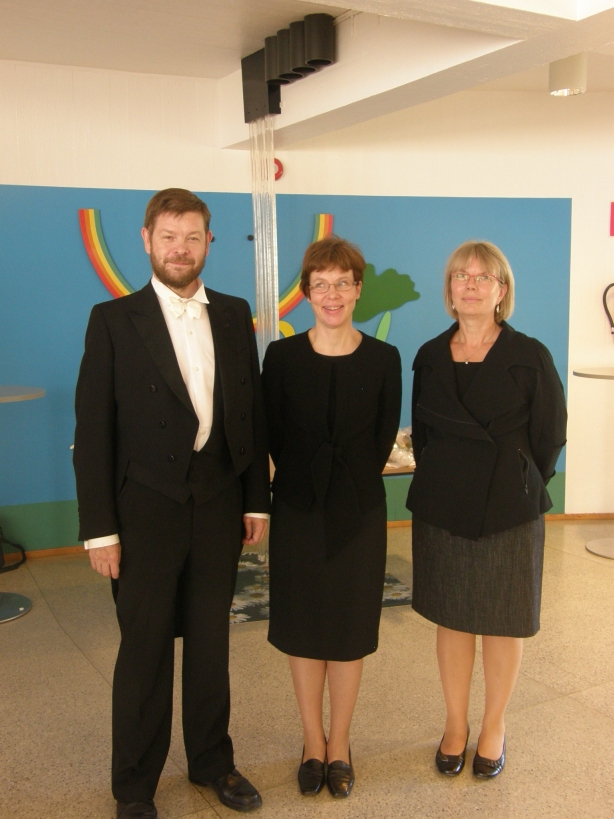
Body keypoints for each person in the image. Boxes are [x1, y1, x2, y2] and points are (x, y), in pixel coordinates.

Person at [73, 189, 271, 818]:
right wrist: (99, 529)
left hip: (217, 503)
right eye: (168, 236)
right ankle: (134, 785)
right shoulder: (112, 319)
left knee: (211, 644)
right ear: (146, 240)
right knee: (146, 650)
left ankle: (212, 761)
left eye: (192, 237)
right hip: (144, 512)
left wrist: (256, 502)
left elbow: (249, 412)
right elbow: (93, 430)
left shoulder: (234, 313)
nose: (180, 249)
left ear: (208, 241)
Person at [407, 240, 567, 778]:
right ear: (449, 289)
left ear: (502, 291)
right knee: (453, 619)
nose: (471, 285)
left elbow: (549, 435)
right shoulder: (430, 355)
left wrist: (519, 479)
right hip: (444, 503)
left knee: (502, 621)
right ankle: (455, 724)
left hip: (508, 508)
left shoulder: (529, 355)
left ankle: (494, 725)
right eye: (461, 276)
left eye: (483, 277)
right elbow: (423, 435)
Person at [261, 236, 402, 799]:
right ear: (307, 292)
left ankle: (340, 744)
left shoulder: (384, 359)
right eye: (321, 284)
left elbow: (382, 436)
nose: (332, 294)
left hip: (359, 511)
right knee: (302, 627)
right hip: (297, 509)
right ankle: (312, 741)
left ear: (358, 289)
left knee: (347, 628)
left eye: (343, 282)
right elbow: (272, 434)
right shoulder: (282, 358)